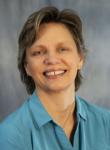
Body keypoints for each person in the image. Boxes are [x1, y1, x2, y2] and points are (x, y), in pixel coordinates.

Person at [0, 6, 110, 150]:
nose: (52, 59)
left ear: (80, 59)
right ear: (26, 66)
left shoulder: (106, 122)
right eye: (38, 52)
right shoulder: (10, 135)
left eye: (62, 49)